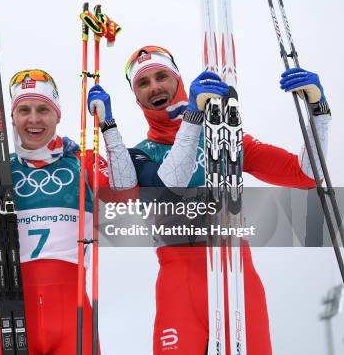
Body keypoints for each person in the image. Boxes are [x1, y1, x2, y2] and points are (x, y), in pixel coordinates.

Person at [0, 68, 224, 355]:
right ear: (13, 119)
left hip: (74, 316)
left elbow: (127, 192)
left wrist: (107, 124)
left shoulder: (83, 162)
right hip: (16, 317)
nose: (33, 119)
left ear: (58, 115)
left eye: (43, 109)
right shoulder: (2, 169)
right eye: (24, 110)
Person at [119, 45, 331, 355]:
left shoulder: (227, 140)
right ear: (137, 98)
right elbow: (167, 190)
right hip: (179, 283)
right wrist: (193, 118)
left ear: (178, 80)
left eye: (161, 76)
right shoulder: (135, 156)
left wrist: (318, 110)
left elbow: (306, 174)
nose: (154, 87)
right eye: (143, 83)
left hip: (237, 277)